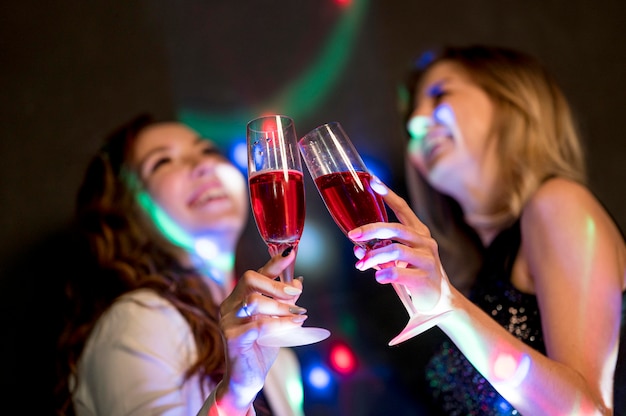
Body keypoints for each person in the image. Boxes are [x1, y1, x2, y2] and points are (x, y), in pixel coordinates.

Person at [348, 45, 626, 414]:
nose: (416, 122)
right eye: (410, 123)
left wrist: (448, 306)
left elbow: (588, 411)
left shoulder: (557, 202)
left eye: (440, 95)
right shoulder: (480, 275)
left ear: (509, 98)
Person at [54, 114, 309, 416]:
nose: (203, 165)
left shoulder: (277, 355)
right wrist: (234, 398)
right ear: (128, 210)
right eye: (163, 162)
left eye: (207, 151)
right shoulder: (135, 321)